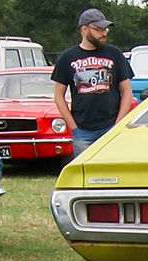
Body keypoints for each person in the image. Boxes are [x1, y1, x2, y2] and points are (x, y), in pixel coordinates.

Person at [51, 9, 133, 155]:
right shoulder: (67, 57)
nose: (104, 33)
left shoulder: (114, 54)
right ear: (84, 29)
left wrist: (118, 124)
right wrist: (73, 126)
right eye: (98, 29)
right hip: (82, 131)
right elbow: (58, 96)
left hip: (110, 127)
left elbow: (127, 91)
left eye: (105, 29)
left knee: (112, 173)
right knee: (86, 175)